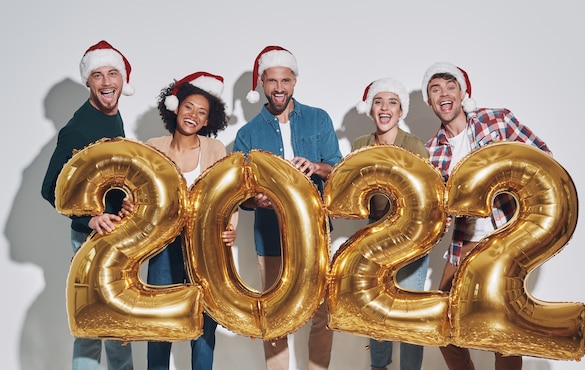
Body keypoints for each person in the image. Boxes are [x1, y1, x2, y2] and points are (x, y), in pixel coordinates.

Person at [421, 61, 552, 370]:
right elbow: (438, 210)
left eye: (450, 87)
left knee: (501, 326)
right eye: (435, 90)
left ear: (463, 93)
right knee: (441, 322)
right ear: (429, 102)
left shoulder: (497, 121)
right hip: (463, 246)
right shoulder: (431, 151)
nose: (443, 94)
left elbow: (543, 158)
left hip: (507, 240)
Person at [232, 45, 342, 370]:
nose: (279, 88)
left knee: (323, 312)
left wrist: (316, 166)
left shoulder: (319, 119)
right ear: (262, 84)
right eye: (272, 81)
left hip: (315, 236)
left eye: (286, 80)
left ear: (294, 81)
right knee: (275, 314)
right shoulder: (247, 134)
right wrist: (257, 199)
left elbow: (337, 168)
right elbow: (239, 193)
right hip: (270, 238)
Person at [41, 40, 135, 370]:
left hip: (117, 237)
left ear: (123, 79)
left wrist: (123, 202)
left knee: (120, 324)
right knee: (92, 327)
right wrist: (92, 217)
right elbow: (50, 188)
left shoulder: (113, 116)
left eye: (113, 73)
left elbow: (104, 176)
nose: (107, 82)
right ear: (88, 81)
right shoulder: (78, 129)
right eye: (98, 75)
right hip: (90, 239)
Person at [145, 71, 238, 370]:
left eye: (202, 112)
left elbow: (229, 194)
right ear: (175, 107)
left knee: (203, 323)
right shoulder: (153, 146)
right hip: (162, 248)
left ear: (209, 121)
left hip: (205, 247)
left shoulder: (215, 150)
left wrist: (230, 228)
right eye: (189, 107)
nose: (193, 115)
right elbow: (141, 192)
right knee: (160, 322)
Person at [353, 78, 430, 370]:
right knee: (376, 311)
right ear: (371, 109)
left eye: (392, 102)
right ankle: (379, 366)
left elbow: (425, 198)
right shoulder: (361, 144)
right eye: (379, 102)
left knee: (408, 313)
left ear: (401, 111)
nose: (385, 108)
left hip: (411, 242)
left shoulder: (415, 147)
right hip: (373, 242)